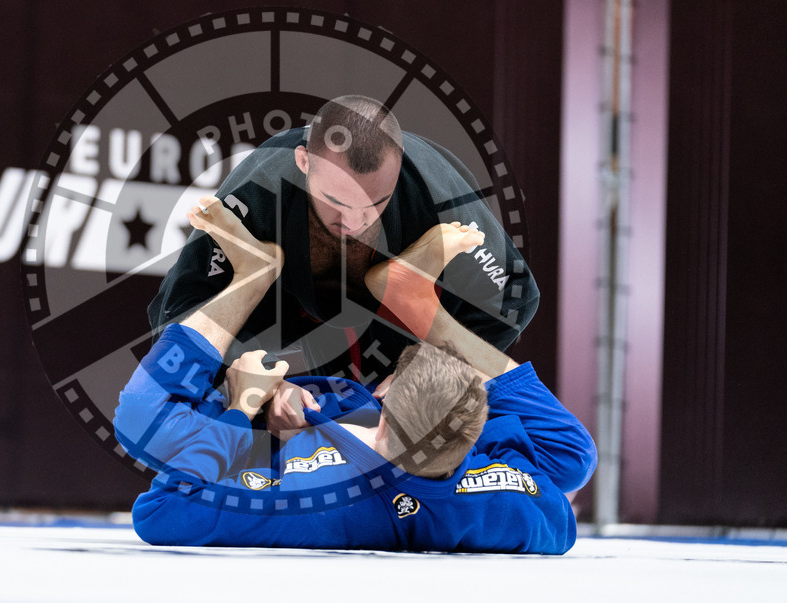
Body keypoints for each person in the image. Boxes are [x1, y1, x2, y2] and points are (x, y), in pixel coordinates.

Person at [116, 196, 596, 553]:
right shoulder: (506, 506)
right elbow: (566, 464)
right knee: (575, 459)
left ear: (386, 405)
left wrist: (241, 407)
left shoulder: (316, 505)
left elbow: (162, 512)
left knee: (142, 418)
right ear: (476, 435)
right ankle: (417, 304)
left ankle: (252, 275)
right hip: (374, 433)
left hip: (269, 435)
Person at [148, 95, 539, 437]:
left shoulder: (436, 192)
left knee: (409, 417)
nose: (353, 223)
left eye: (375, 204)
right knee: (185, 382)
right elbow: (179, 314)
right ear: (303, 162)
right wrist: (261, 389)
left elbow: (515, 297)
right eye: (336, 200)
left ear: (399, 170)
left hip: (405, 313)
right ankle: (258, 274)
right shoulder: (260, 191)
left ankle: (409, 300)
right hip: (293, 298)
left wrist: (436, 366)